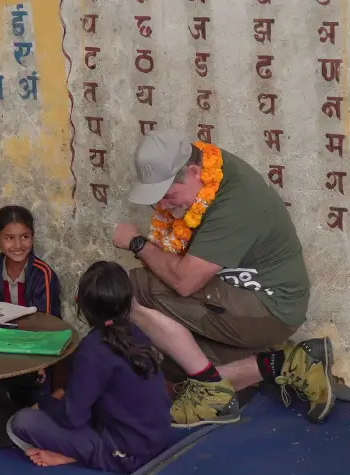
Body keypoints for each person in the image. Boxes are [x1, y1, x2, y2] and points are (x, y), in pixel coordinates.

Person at [112, 129, 334, 428]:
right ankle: (284, 363)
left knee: (131, 290)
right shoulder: (203, 167)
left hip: (268, 307)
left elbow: (184, 282)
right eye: (156, 200)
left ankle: (212, 392)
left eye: (167, 195)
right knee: (173, 368)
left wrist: (138, 243)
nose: (162, 206)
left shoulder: (236, 202)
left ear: (194, 173)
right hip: (235, 296)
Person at [6, 261, 176, 473]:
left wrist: (45, 403)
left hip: (128, 454)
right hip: (159, 440)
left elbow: (73, 417)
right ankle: (76, 451)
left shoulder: (93, 348)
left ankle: (78, 455)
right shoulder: (136, 333)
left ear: (82, 305)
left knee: (21, 422)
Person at [0, 205, 62, 318]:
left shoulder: (42, 274)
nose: (18, 245)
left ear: (32, 237)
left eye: (25, 237)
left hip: (36, 329)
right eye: (9, 238)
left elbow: (45, 321)